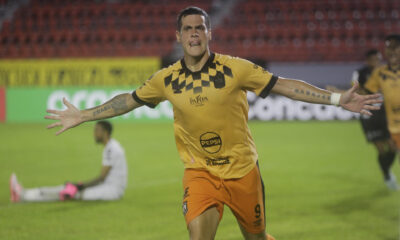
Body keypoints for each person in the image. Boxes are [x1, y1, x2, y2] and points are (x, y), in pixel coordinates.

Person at [44, 7, 381, 240]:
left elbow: (283, 85)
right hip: (200, 173)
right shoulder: (165, 79)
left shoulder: (235, 69)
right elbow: (128, 101)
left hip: (243, 172)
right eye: (188, 28)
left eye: (200, 27)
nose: (194, 33)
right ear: (178, 35)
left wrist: (337, 99)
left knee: (257, 236)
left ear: (209, 32)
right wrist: (84, 115)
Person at [328, 49, 398, 190]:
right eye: (373, 60)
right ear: (368, 61)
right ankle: (387, 176)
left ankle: (386, 171)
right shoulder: (360, 73)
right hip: (368, 114)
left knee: (393, 147)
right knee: (381, 149)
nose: (376, 62)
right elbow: (355, 91)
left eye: (378, 59)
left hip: (384, 113)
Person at [10, 121, 128, 202]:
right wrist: (79, 185)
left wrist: (80, 186)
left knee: (70, 192)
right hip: (108, 188)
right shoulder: (112, 146)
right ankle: (24, 194)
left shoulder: (111, 149)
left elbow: (102, 177)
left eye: (97, 130)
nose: (94, 134)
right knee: (69, 189)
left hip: (111, 191)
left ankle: (23, 195)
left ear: (105, 133)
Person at [365, 34, 400, 185]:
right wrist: (339, 95)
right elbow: (365, 93)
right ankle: (386, 174)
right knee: (390, 150)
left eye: (395, 47)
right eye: (388, 48)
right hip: (394, 126)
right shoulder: (379, 73)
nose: (391, 51)